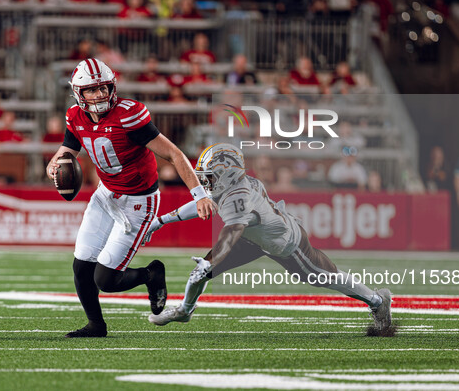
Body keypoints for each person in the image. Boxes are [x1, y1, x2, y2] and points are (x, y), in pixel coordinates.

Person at [143, 143, 392, 334]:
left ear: (227, 175)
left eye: (210, 175)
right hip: (253, 237)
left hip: (283, 242)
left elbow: (231, 233)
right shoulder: (229, 186)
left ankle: (377, 300)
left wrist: (213, 259)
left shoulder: (239, 196)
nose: (204, 181)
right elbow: (201, 205)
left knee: (323, 277)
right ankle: (185, 311)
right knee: (202, 271)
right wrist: (158, 222)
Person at [46, 58, 213, 338]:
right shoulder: (75, 116)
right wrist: (53, 165)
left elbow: (174, 154)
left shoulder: (128, 115)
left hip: (138, 201)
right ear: (78, 92)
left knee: (106, 279)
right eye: (91, 90)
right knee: (81, 266)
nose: (99, 95)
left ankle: (152, 274)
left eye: (103, 88)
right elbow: (67, 150)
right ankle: (96, 325)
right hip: (105, 195)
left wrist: (199, 194)